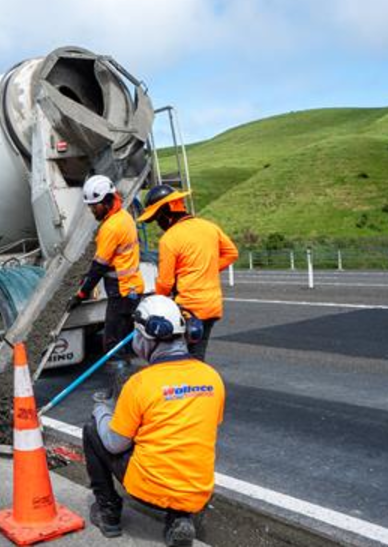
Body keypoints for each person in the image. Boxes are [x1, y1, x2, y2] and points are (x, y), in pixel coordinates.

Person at [84, 295, 225, 547]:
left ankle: (109, 514)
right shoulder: (212, 377)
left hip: (148, 490)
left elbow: (115, 444)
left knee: (93, 430)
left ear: (143, 338)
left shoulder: (140, 383)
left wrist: (101, 410)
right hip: (197, 491)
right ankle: (179, 518)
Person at [136, 186, 238, 360]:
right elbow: (231, 253)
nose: (159, 224)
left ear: (167, 212)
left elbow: (166, 283)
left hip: (188, 309)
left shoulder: (170, 239)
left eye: (158, 219)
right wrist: (205, 270)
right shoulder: (209, 227)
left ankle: (194, 385)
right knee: (198, 354)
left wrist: (156, 305)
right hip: (212, 306)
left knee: (182, 358)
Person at [73, 175, 145, 400]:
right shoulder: (124, 217)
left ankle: (120, 396)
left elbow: (98, 267)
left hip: (122, 291)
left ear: (105, 201)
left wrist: (82, 294)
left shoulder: (111, 227)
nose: (92, 211)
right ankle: (127, 390)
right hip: (131, 288)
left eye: (94, 207)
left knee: (113, 346)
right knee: (124, 342)